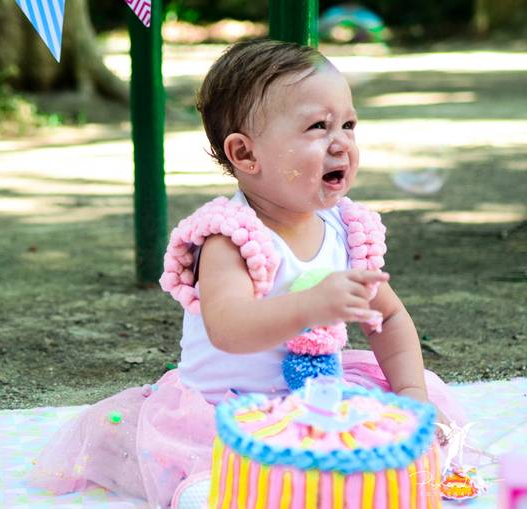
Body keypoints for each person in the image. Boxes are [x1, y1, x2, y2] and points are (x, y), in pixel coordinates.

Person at [28, 39, 467, 509]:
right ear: (245, 154)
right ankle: (219, 485)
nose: (341, 141)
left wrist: (410, 395)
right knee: (218, 487)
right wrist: (312, 304)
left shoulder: (348, 230)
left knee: (408, 449)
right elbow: (230, 330)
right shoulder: (231, 238)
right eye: (318, 126)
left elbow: (391, 319)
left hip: (318, 400)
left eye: (348, 124)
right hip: (227, 411)